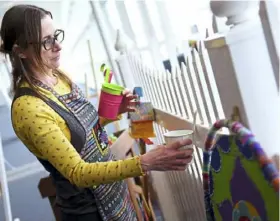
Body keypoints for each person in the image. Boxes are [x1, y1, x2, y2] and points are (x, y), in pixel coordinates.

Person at [0, 4, 193, 221]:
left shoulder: (58, 76)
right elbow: (79, 173)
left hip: (115, 196)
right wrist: (145, 162)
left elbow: (81, 136)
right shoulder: (28, 108)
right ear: (20, 51)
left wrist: (111, 114)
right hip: (91, 211)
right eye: (47, 41)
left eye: (56, 36)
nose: (58, 46)